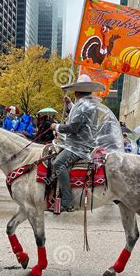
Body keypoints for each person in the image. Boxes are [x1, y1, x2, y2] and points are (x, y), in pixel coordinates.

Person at [50, 74, 123, 213]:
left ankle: (67, 201)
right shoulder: (88, 104)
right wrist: (70, 104)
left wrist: (56, 126)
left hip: (79, 147)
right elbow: (79, 116)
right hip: (79, 143)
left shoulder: (84, 106)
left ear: (77, 92)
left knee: (58, 163)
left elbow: (73, 127)